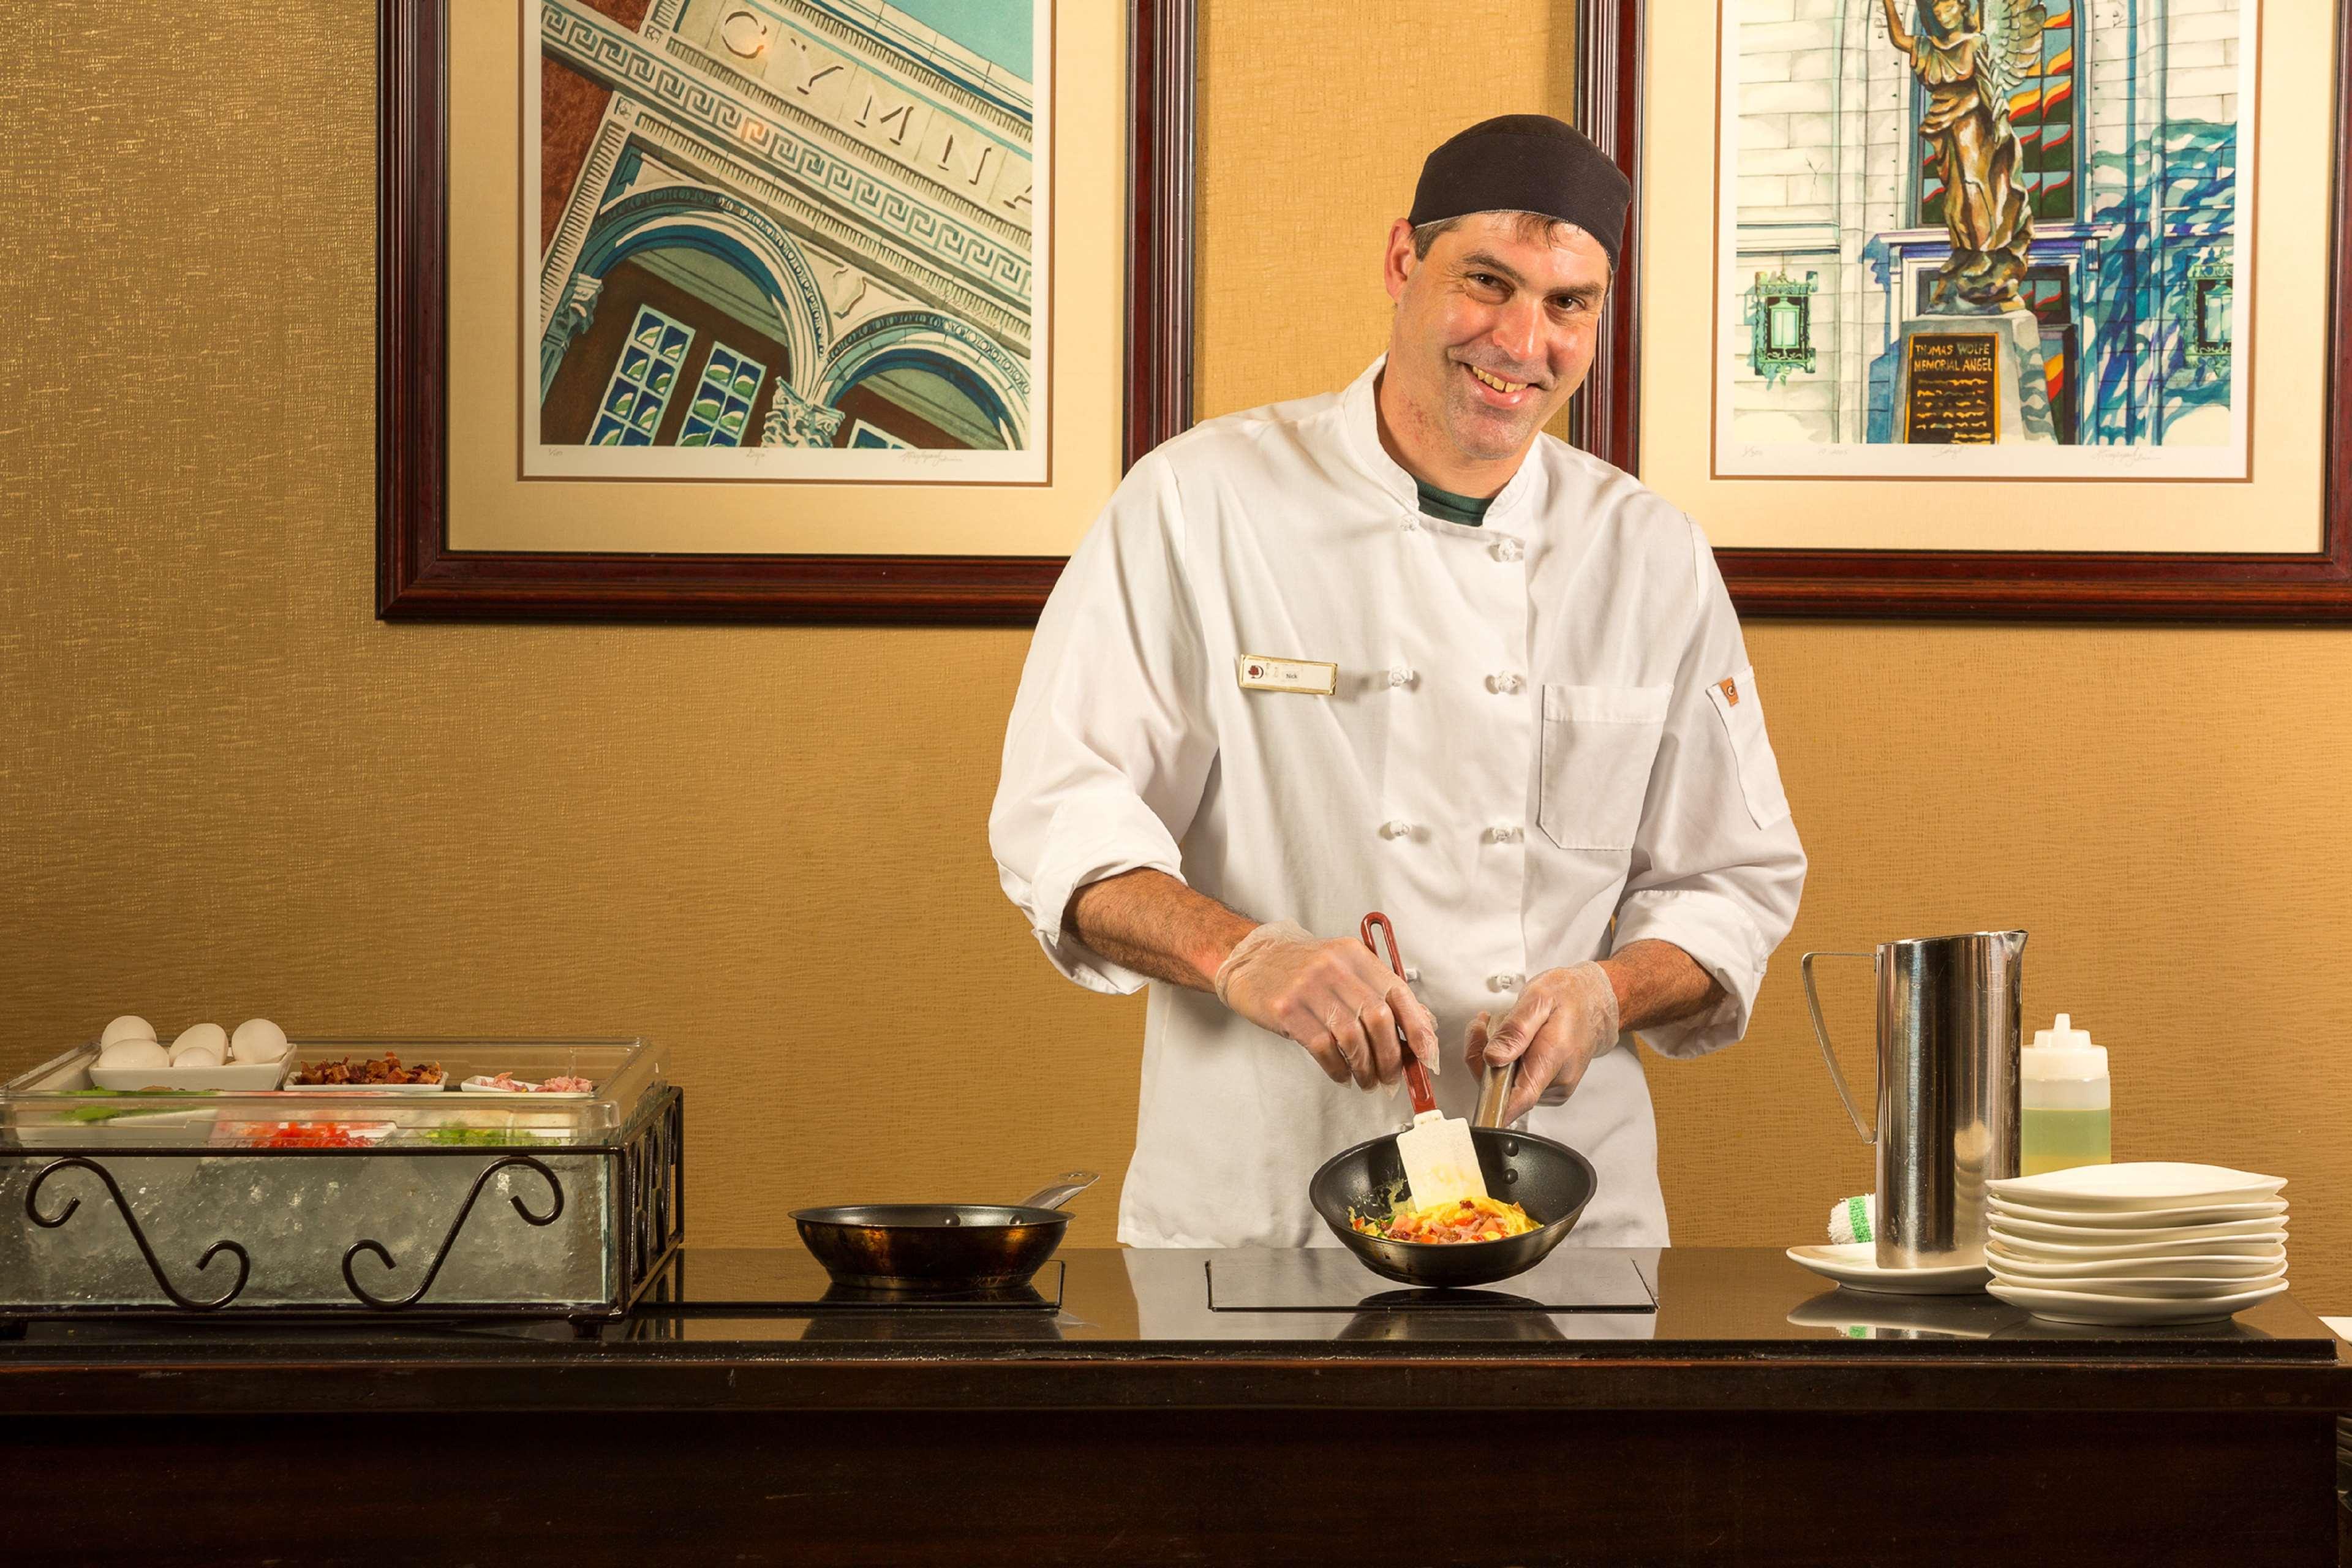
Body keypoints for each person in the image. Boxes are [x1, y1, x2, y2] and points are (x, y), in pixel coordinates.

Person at [989, 115, 1806, 1248]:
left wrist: (1608, 994)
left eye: (1569, 303)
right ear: (1400, 262)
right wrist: (1241, 954)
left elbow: (1732, 883)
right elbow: (1059, 822)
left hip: (1568, 1217)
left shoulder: (1651, 556)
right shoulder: (1197, 504)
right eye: (1487, 282)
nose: (1523, 340)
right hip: (1260, 1206)